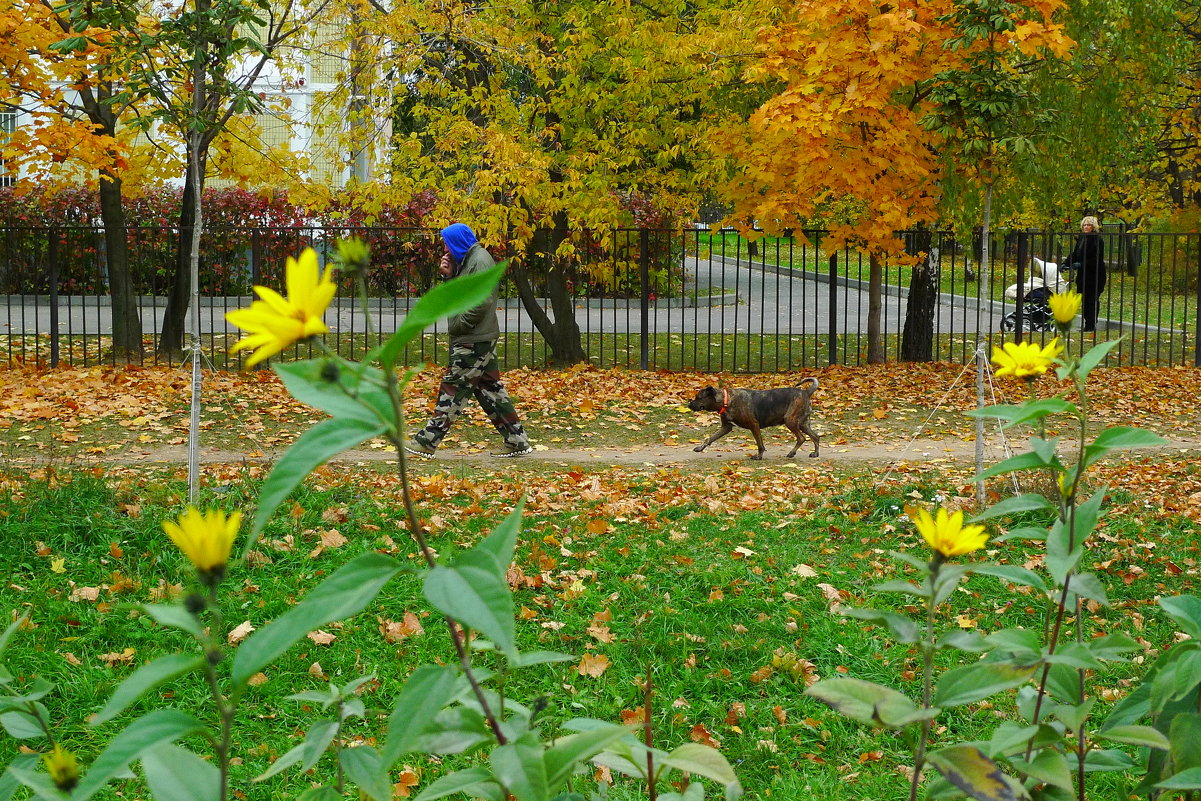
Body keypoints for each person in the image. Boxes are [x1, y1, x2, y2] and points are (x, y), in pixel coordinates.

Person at [406, 223, 534, 459]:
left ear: (457, 242)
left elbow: (481, 301)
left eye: (446, 242)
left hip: (474, 338)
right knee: (490, 391)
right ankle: (517, 441)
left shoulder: (480, 261)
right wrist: (449, 276)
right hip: (476, 336)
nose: (444, 248)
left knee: (453, 387)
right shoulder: (468, 261)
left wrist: (459, 325)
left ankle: (427, 440)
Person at [1066, 215, 1106, 332]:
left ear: (1093, 227)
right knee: (1084, 300)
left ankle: (1091, 324)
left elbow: (1097, 258)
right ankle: (1087, 324)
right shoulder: (1082, 238)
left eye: (1088, 225)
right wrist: (1066, 263)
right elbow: (1075, 254)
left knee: (1092, 300)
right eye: (1084, 224)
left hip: (1095, 275)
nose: (1086, 227)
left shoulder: (1097, 239)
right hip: (1083, 275)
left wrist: (1081, 264)